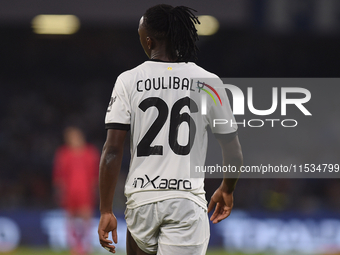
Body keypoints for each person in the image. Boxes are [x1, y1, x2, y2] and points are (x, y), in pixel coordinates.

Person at [98, 4, 243, 255]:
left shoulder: (128, 80)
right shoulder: (208, 82)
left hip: (141, 201)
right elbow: (233, 151)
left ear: (148, 40)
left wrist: (106, 210)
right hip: (185, 201)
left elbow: (112, 150)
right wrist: (226, 189)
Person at [53, 126, 100, 255]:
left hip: (85, 191)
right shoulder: (63, 153)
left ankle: (86, 245)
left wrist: (95, 190)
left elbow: (95, 174)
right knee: (70, 220)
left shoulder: (90, 152)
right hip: (70, 192)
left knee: (86, 219)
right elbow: (59, 175)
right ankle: (74, 246)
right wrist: (60, 191)